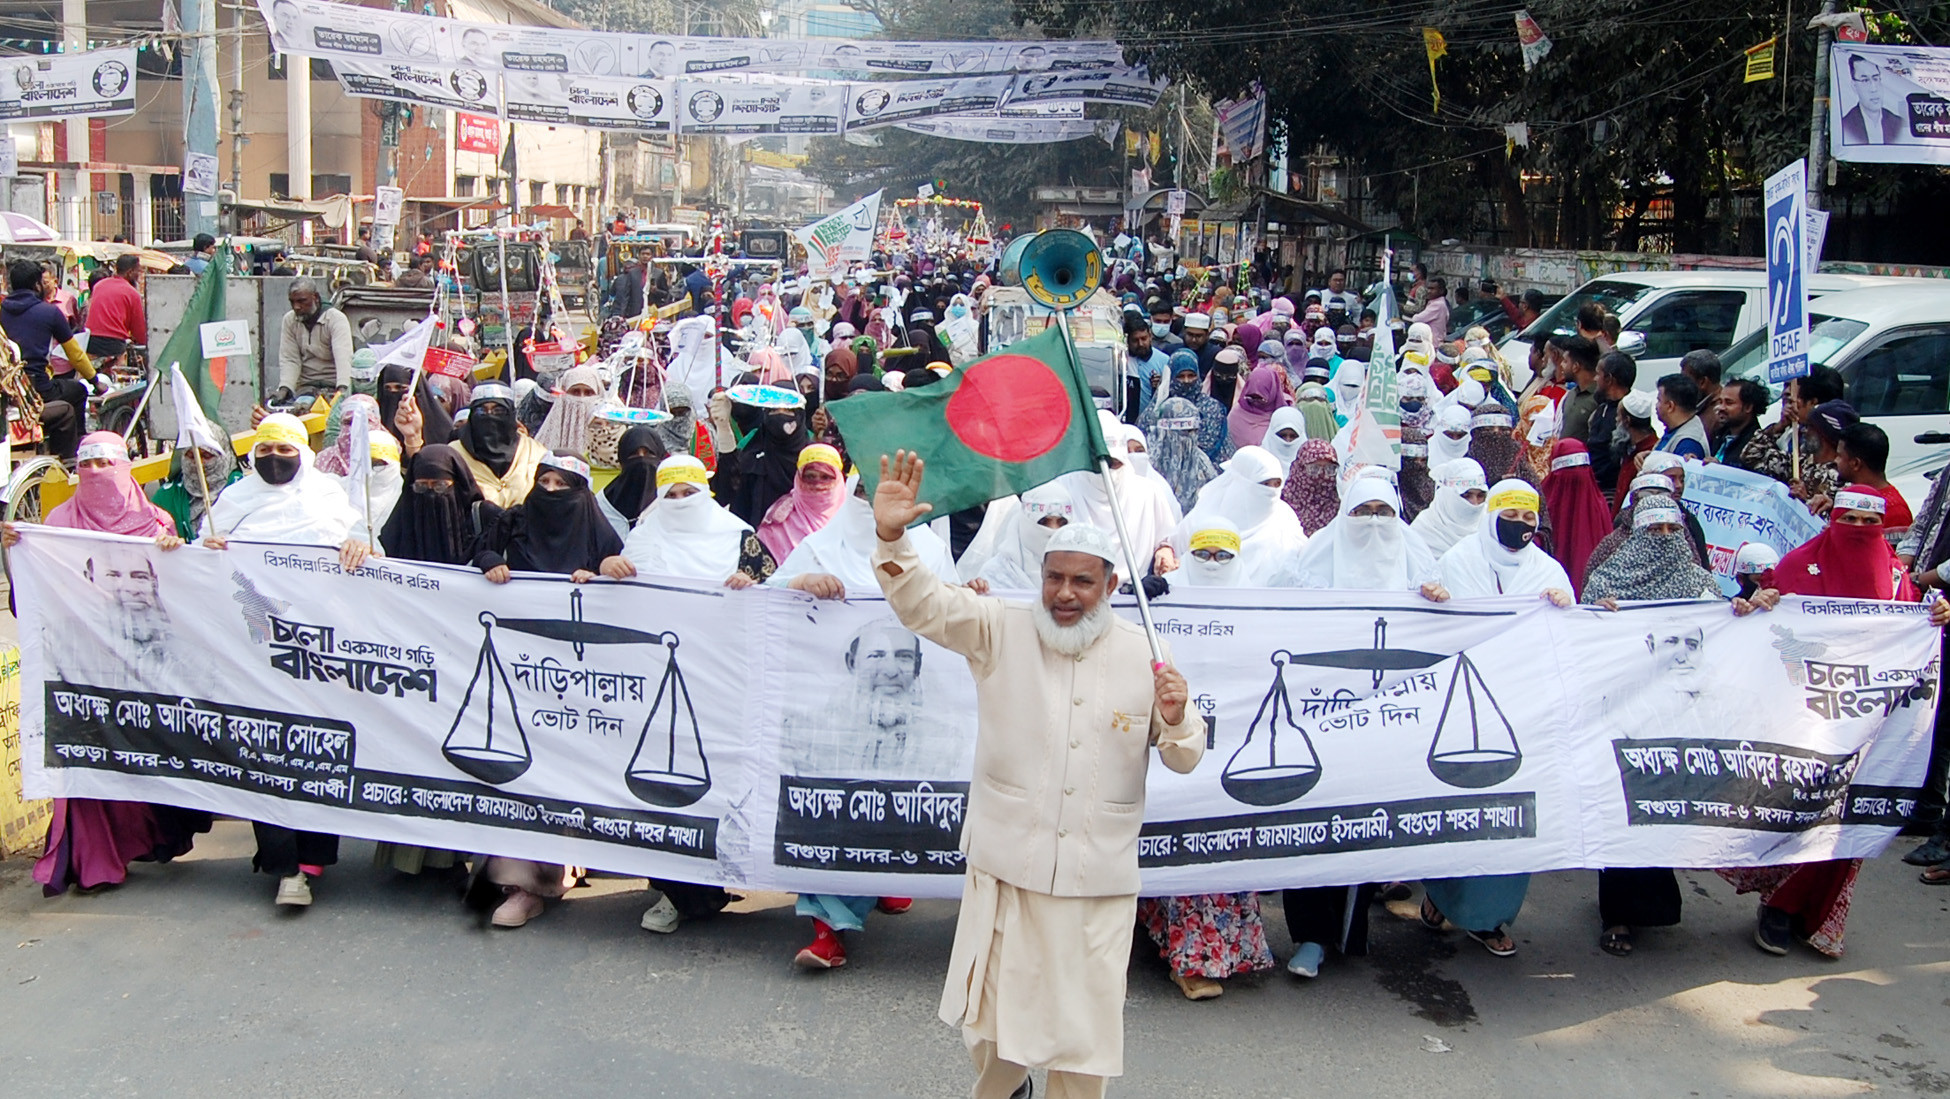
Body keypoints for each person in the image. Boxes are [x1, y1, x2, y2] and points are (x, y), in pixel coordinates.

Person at [866, 449, 1199, 1097]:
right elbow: (920, 602)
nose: (1066, 594)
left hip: (1095, 880)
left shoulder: (1145, 655)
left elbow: (1184, 752)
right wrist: (891, 535)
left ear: (1109, 586)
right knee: (992, 1028)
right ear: (1042, 576)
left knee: (1083, 1037)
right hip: (1007, 866)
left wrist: (1179, 719)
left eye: (1083, 581)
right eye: (1056, 578)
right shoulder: (1002, 627)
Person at [7, 434, 209, 894]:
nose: (97, 473)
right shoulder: (58, 522)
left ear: (124, 467)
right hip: (80, 666)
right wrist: (19, 548)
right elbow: (37, 596)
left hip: (142, 672)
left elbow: (180, 594)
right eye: (87, 464)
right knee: (87, 763)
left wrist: (175, 551)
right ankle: (94, 860)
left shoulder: (155, 520)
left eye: (106, 463)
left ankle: (148, 836)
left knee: (142, 752)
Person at [1721, 487, 1918, 957]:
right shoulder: (1796, 568)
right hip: (1805, 714)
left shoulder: (1895, 578)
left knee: (1846, 819)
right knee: (1803, 811)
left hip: (1869, 717)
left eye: (1870, 525)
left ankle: (1819, 914)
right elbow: (1768, 634)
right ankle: (1778, 905)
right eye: (1849, 520)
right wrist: (1757, 606)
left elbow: (1913, 633)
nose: (1860, 532)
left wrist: (1934, 616)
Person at [202, 415, 370, 907]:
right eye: (265, 450)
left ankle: (314, 854)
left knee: (317, 746)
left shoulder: (330, 498)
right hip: (254, 650)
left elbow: (364, 550)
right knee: (267, 748)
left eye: (285, 450)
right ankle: (284, 866)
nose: (274, 459)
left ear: (305, 453)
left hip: (317, 650)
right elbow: (199, 563)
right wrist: (208, 550)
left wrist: (359, 545)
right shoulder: (234, 502)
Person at [1579, 495, 1748, 956]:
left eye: (1674, 531)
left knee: (1663, 809)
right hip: (1625, 717)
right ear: (1636, 534)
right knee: (1625, 810)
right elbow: (1585, 644)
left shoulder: (1698, 581)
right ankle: (1616, 914)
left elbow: (1724, 633)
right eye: (1655, 532)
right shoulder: (1607, 581)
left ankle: (1652, 905)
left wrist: (1749, 610)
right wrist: (1599, 615)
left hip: (1678, 717)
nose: (1666, 540)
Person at [1418, 480, 1573, 957]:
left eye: (1530, 518)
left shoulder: (1548, 572)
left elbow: (1565, 642)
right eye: (1512, 515)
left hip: (1521, 714)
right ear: (1492, 516)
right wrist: (1433, 599)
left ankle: (1491, 918)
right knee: (1458, 811)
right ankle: (1444, 896)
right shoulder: (1458, 561)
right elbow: (1432, 631)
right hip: (1462, 710)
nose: (1521, 526)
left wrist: (1566, 609)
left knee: (1509, 817)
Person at [468, 452, 624, 927]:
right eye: (546, 481)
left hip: (579, 684)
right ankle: (521, 885)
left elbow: (622, 576)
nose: (552, 492)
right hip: (518, 674)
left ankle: (562, 866)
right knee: (519, 776)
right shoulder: (513, 521)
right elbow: (479, 550)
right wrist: (491, 561)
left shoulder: (601, 535)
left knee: (566, 776)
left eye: (564, 484)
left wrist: (601, 576)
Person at [605, 454, 773, 588]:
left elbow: (773, 589)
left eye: (689, 493)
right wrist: (606, 568)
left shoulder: (739, 538)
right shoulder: (642, 539)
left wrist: (750, 583)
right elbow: (623, 594)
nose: (680, 502)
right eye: (671, 495)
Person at [1, 259, 96, 461]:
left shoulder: (2, 311)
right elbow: (76, 355)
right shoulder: (50, 312)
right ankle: (72, 454)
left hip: (8, 391)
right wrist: (95, 380)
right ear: (37, 285)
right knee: (77, 392)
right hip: (37, 390)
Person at [1173, 446, 1310, 583]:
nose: (1271, 491)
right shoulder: (1202, 517)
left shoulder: (1285, 520)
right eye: (1264, 483)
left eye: (1277, 484)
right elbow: (1174, 553)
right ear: (1240, 480)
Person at [450, 384, 548, 506]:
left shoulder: (535, 452)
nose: (490, 416)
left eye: (498, 410)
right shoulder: (453, 455)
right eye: (482, 411)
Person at [1541, 439, 1614, 596]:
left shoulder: (1545, 498)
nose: (1577, 473)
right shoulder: (1599, 502)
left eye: (1582, 468)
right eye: (1571, 468)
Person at [974, 484, 1074, 589]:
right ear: (1026, 523)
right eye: (1043, 521)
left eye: (1062, 523)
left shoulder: (1082, 571)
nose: (1053, 531)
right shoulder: (995, 573)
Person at [756, 443, 845, 562]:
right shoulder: (778, 522)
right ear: (798, 478)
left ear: (838, 479)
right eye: (810, 477)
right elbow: (762, 572)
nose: (818, 484)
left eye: (826, 477)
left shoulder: (856, 518)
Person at [1140, 351, 1230, 463]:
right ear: (1171, 378)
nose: (1186, 381)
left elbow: (1214, 446)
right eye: (1180, 376)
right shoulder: (1158, 409)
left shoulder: (1213, 408)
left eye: (1191, 375)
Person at [1142, 396, 1218, 515]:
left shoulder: (1202, 464)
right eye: (1183, 432)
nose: (1188, 437)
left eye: (1192, 431)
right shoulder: (1146, 461)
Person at [277, 278, 353, 394]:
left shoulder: (335, 319)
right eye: (292, 302)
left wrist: (342, 389)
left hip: (333, 384)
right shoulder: (290, 320)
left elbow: (343, 357)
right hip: (306, 385)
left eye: (302, 301)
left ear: (315, 298)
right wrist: (285, 387)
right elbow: (290, 359)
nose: (296, 307)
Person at [1835, 422, 1912, 534]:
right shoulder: (1850, 495)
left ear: (1855, 464)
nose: (1835, 460)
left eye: (1839, 456)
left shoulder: (1895, 512)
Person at [593, 425, 668, 539]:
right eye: (634, 454)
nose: (642, 460)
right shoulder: (603, 504)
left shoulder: (669, 500)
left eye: (649, 454)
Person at [1412, 458, 1489, 557]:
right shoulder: (1423, 529)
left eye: (1480, 496)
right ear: (1447, 495)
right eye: (1466, 495)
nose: (1474, 503)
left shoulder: (1490, 524)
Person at [83, 254, 145, 368]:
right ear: (130, 272)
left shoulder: (99, 285)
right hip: (114, 344)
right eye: (138, 271)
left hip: (90, 341)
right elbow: (139, 329)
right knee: (119, 380)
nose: (139, 275)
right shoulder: (132, 293)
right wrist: (146, 344)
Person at [533, 365, 607, 459]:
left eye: (588, 393)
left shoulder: (609, 438)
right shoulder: (543, 443)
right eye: (575, 392)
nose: (581, 399)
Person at [1226, 360, 1289, 450]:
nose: (1255, 402)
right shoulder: (1236, 415)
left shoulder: (1284, 417)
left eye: (1260, 398)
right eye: (1251, 397)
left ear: (1272, 392)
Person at [1710, 379, 1768, 468]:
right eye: (1720, 402)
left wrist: (1720, 469)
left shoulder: (1758, 446)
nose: (1721, 407)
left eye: (1729, 403)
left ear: (1748, 407)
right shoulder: (1719, 434)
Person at [1652, 373, 1709, 460]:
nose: (1656, 405)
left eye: (1659, 400)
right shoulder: (1677, 428)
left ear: (1670, 406)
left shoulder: (1687, 446)